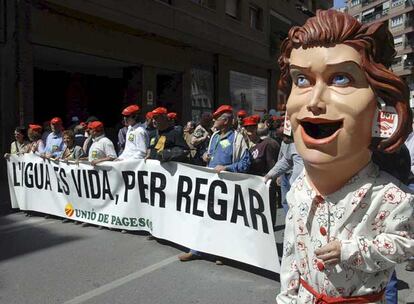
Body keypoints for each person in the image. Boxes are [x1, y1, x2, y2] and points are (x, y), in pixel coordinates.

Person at [276, 10, 414, 303]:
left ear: (380, 104)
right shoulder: (299, 187)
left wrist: (351, 250)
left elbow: (408, 244)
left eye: (340, 78)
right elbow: (291, 252)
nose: (314, 101)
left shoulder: (392, 197)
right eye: (301, 80)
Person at [178, 105, 251, 264]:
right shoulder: (214, 136)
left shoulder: (237, 139)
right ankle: (196, 250)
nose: (213, 121)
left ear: (225, 121)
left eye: (216, 119)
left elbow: (245, 163)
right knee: (202, 217)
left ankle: (222, 253)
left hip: (227, 186)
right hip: (210, 183)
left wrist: (226, 168)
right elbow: (209, 155)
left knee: (224, 221)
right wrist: (205, 156)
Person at [264, 134, 304, 214]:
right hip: (293, 184)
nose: (283, 138)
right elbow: (286, 159)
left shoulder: (305, 140)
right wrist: (270, 175)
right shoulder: (286, 142)